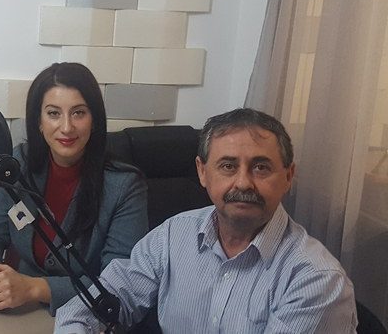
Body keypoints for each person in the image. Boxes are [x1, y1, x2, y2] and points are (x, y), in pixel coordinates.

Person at [55, 108, 358, 333]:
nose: (243, 182)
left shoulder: (316, 280)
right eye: (228, 166)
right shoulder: (174, 235)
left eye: (261, 167)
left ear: (288, 176)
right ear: (202, 172)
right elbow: (95, 302)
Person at [0, 62, 149, 315]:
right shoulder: (20, 164)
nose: (66, 127)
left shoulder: (124, 186)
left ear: (94, 120)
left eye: (78, 113)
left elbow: (119, 284)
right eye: (53, 113)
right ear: (39, 122)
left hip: (83, 318)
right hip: (17, 312)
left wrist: (34, 288)